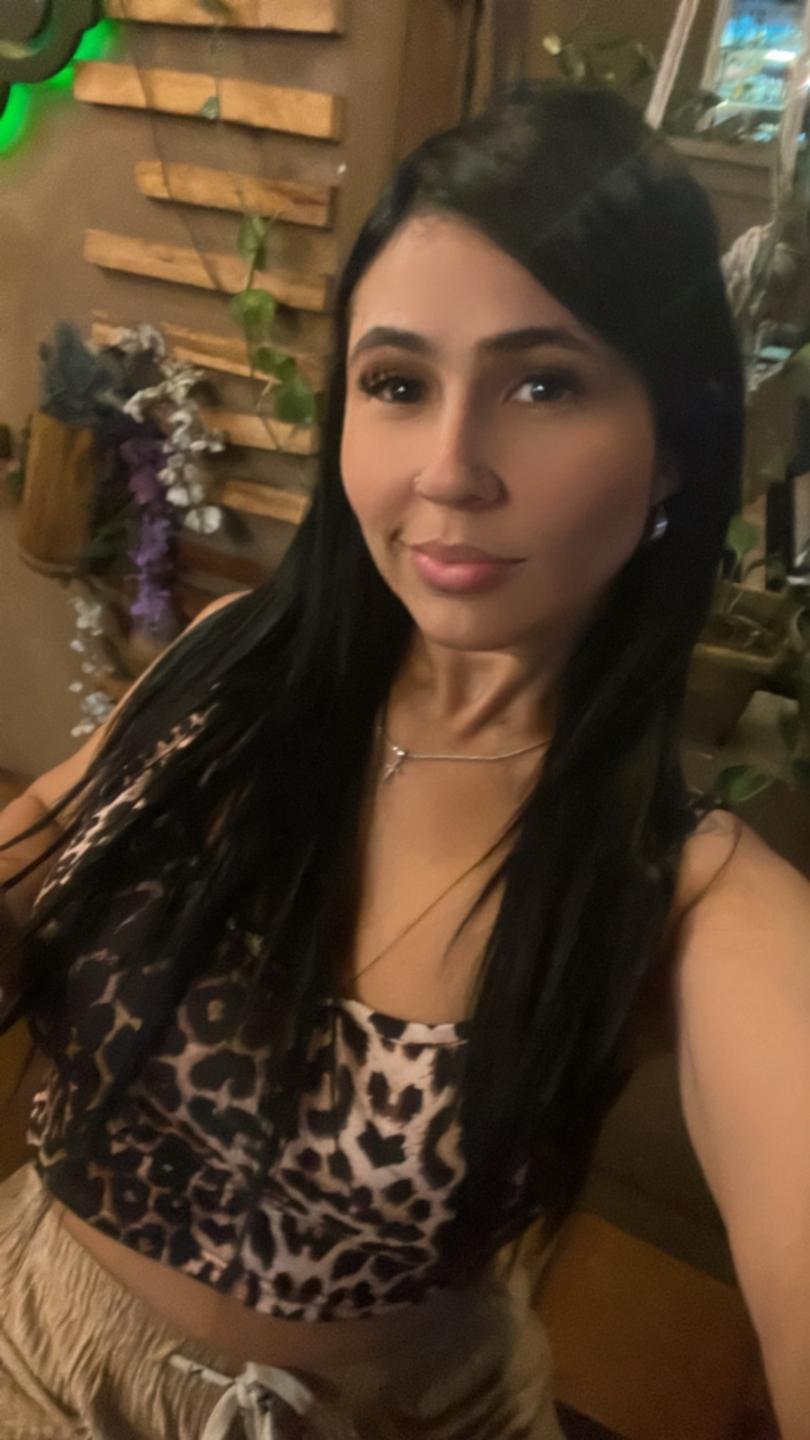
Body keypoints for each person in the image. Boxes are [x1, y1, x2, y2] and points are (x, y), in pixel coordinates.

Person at [1, 78, 809, 1440]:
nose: (447, 469)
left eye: (542, 383)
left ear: (672, 448)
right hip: (36, 1352)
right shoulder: (234, 659)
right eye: (396, 384)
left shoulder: (684, 889)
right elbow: (43, 830)